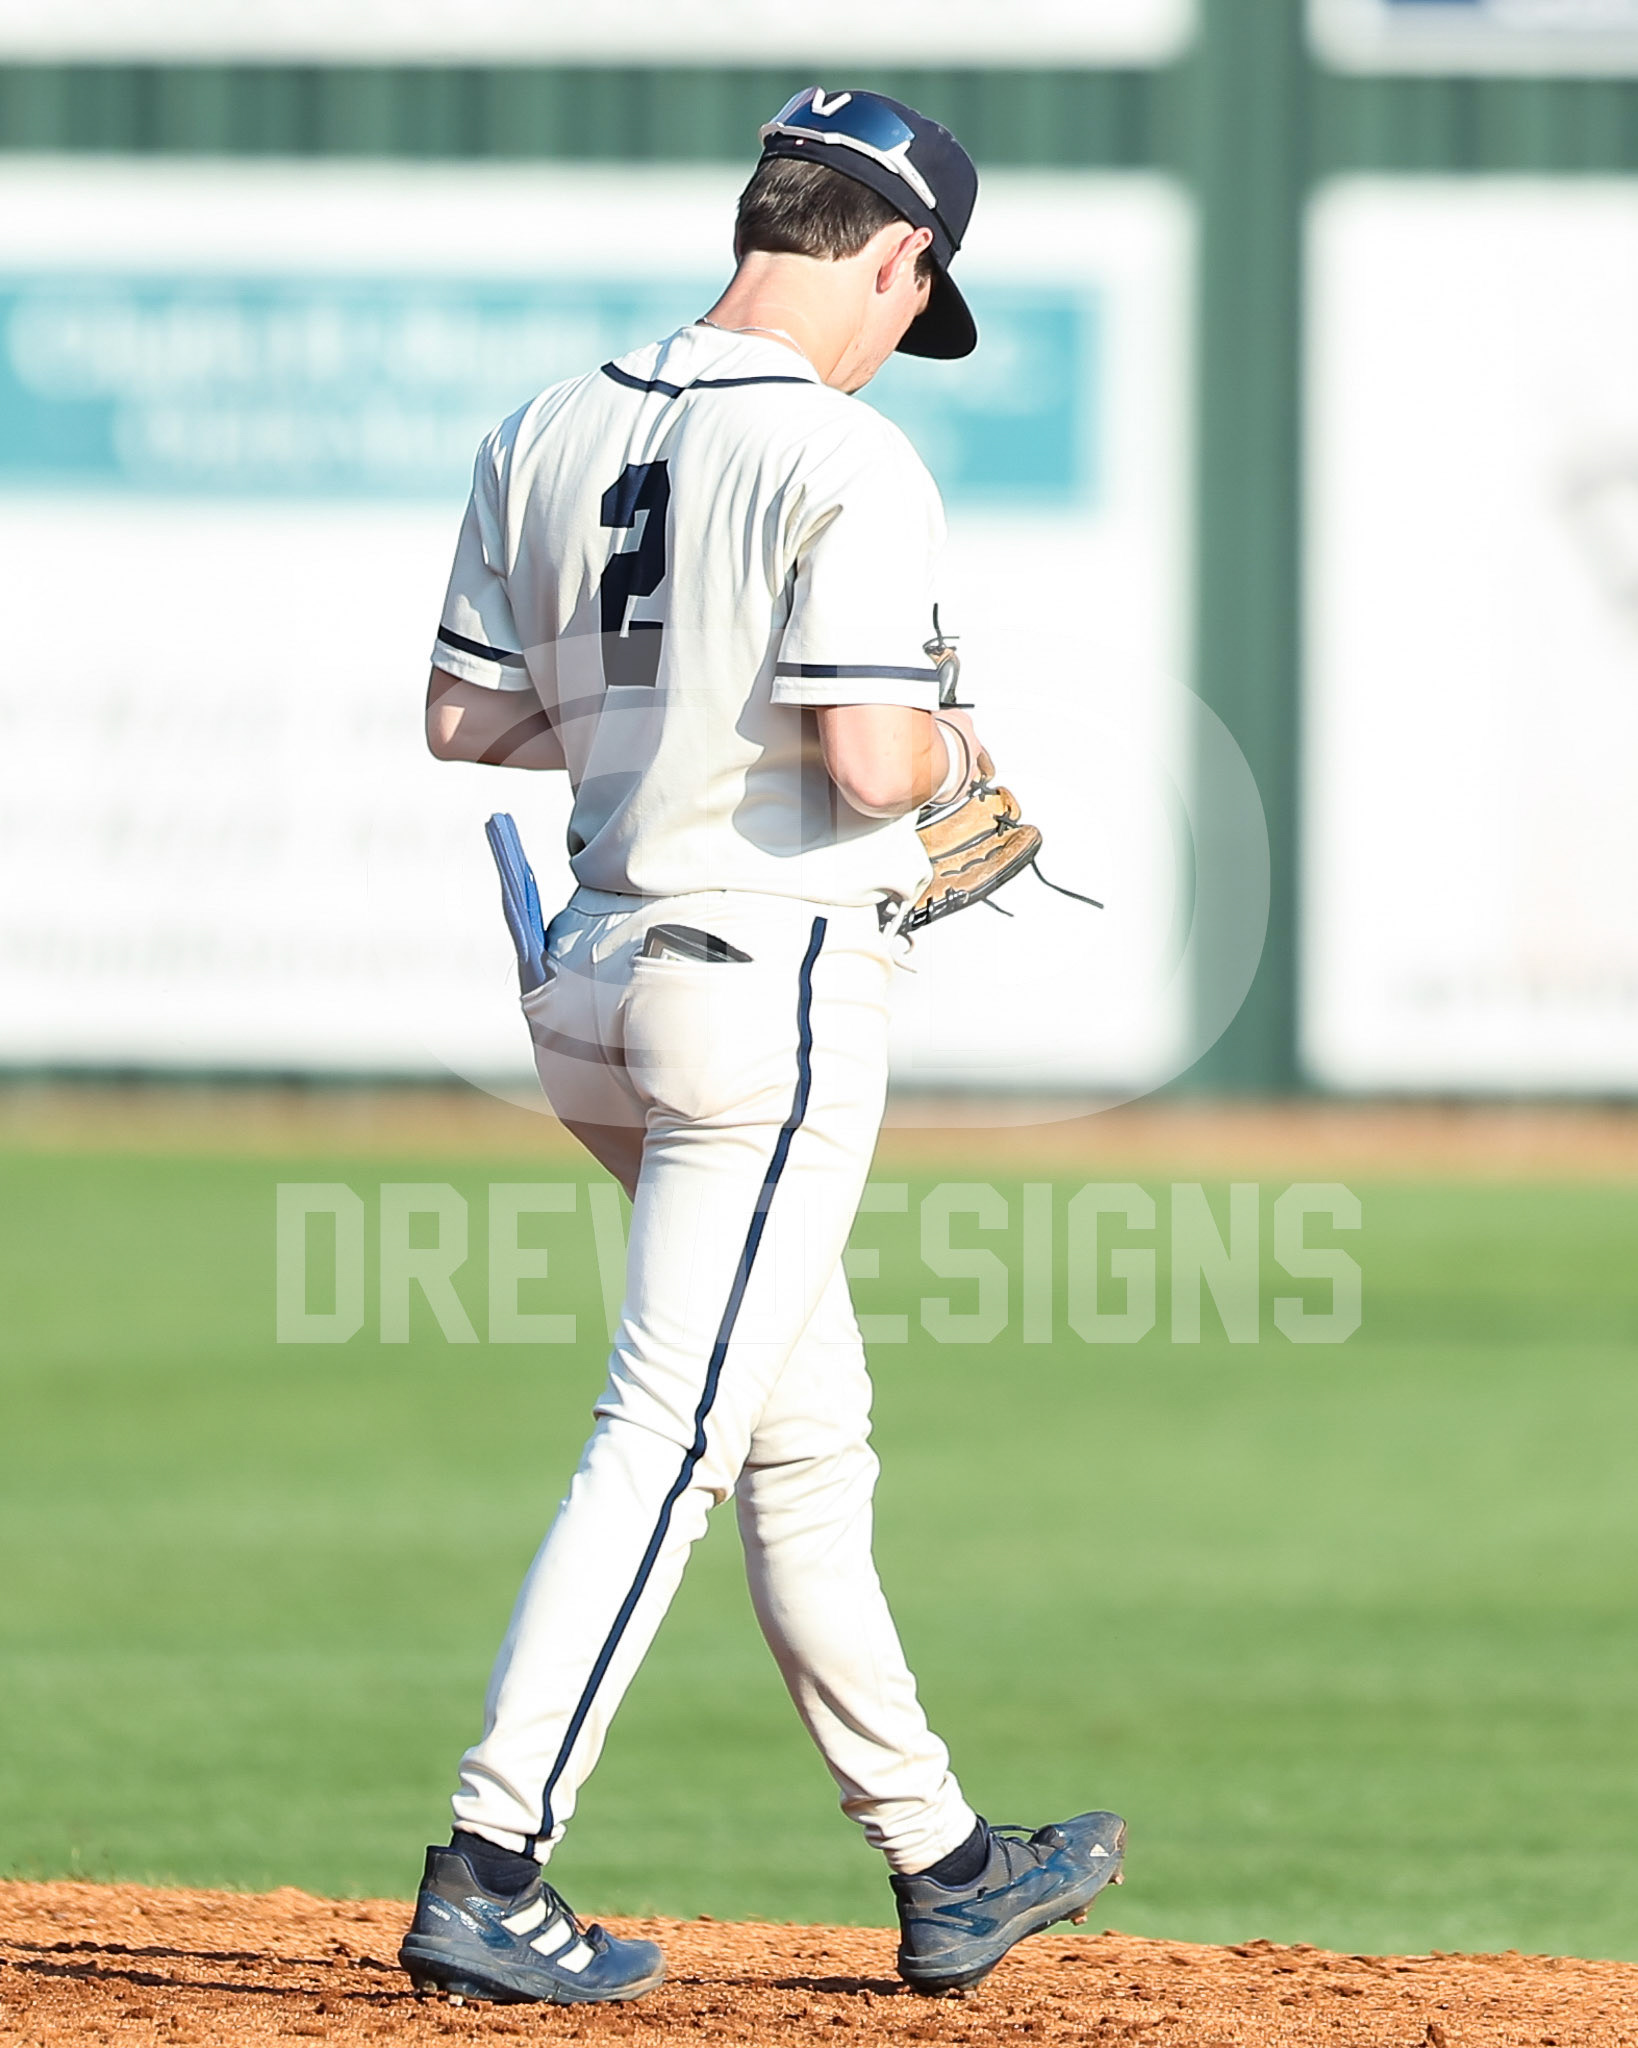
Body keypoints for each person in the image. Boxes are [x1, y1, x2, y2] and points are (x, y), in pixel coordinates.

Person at [397, 87, 1125, 2008]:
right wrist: (957, 748)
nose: (901, 335)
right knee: (670, 1432)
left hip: (589, 985)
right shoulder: (844, 454)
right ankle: (491, 1859)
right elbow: (874, 762)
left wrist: (674, 707)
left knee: (803, 1438)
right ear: (895, 255)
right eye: (915, 300)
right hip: (761, 995)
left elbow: (465, 724)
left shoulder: (542, 426)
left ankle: (943, 1860)